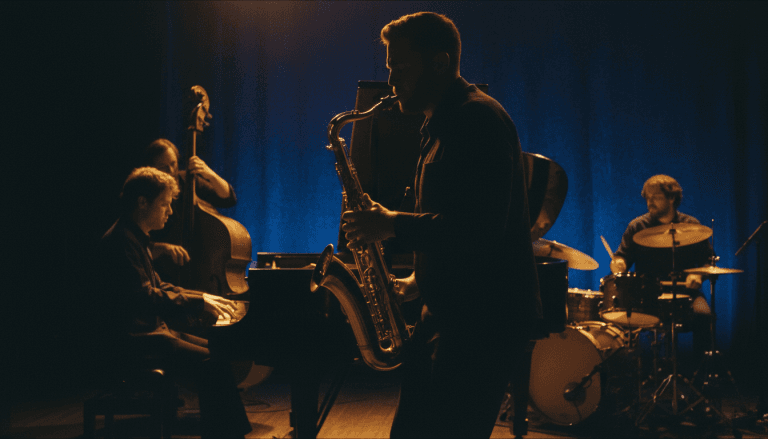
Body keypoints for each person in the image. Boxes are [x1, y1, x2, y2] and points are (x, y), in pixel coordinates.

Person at [341, 12, 542, 438]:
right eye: (390, 67)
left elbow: (480, 229)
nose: (391, 80)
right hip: (450, 313)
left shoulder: (478, 120)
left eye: (401, 68)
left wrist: (392, 223)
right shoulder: (438, 121)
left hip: (481, 322)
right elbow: (452, 217)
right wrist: (418, 279)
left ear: (439, 63)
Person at [96, 167, 251, 438]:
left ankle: (231, 434)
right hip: (133, 340)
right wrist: (197, 305)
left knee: (218, 349)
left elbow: (160, 286)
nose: (170, 212)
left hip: (152, 332)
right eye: (165, 204)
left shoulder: (135, 236)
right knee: (211, 363)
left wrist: (201, 297)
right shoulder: (121, 241)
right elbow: (145, 296)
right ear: (142, 202)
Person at [610, 174, 713, 365]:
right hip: (647, 295)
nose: (649, 202)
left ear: (671, 198)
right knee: (620, 317)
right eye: (647, 198)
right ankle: (634, 377)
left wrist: (698, 274)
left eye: (655, 197)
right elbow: (622, 257)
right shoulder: (637, 226)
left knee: (704, 316)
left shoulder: (691, 226)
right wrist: (618, 264)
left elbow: (709, 262)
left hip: (686, 293)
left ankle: (701, 376)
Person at [142, 137, 237, 276]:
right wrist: (162, 247)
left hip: (200, 269)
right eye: (163, 167)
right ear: (151, 168)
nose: (171, 170)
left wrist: (209, 174)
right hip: (161, 269)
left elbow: (228, 199)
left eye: (173, 164)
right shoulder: (145, 193)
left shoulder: (189, 182)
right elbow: (137, 243)